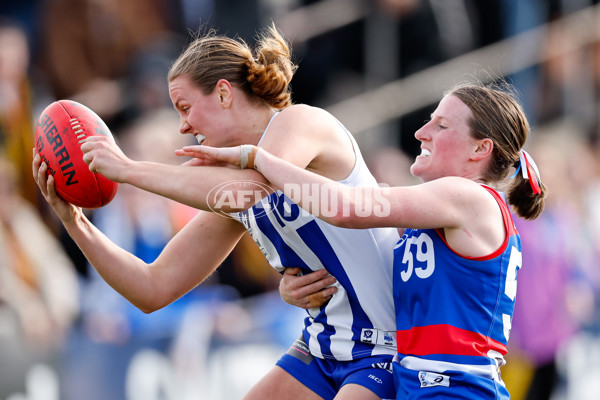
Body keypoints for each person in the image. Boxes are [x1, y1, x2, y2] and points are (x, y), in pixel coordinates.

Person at [33, 24, 400, 399]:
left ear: (224, 93)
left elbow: (253, 191)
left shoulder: (300, 122)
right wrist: (74, 221)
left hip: (387, 344)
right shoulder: (229, 187)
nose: (183, 125)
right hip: (323, 347)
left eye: (186, 107)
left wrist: (128, 169)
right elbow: (152, 288)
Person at [178, 80, 547, 399]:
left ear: (480, 149)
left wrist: (256, 159)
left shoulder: (469, 197)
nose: (421, 133)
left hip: (457, 390)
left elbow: (345, 208)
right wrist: (294, 287)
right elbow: (370, 276)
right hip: (424, 387)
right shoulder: (442, 214)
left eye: (442, 125)